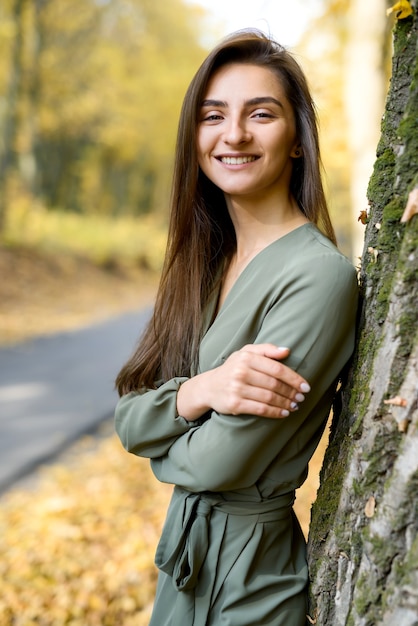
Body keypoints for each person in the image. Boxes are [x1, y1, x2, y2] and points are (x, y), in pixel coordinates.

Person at [114, 29, 358, 626]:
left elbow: (223, 462)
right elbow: (127, 415)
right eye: (213, 115)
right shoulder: (205, 262)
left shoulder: (317, 277)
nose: (234, 134)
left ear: (298, 139)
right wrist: (202, 391)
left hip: (250, 586)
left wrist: (160, 444)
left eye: (262, 114)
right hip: (184, 574)